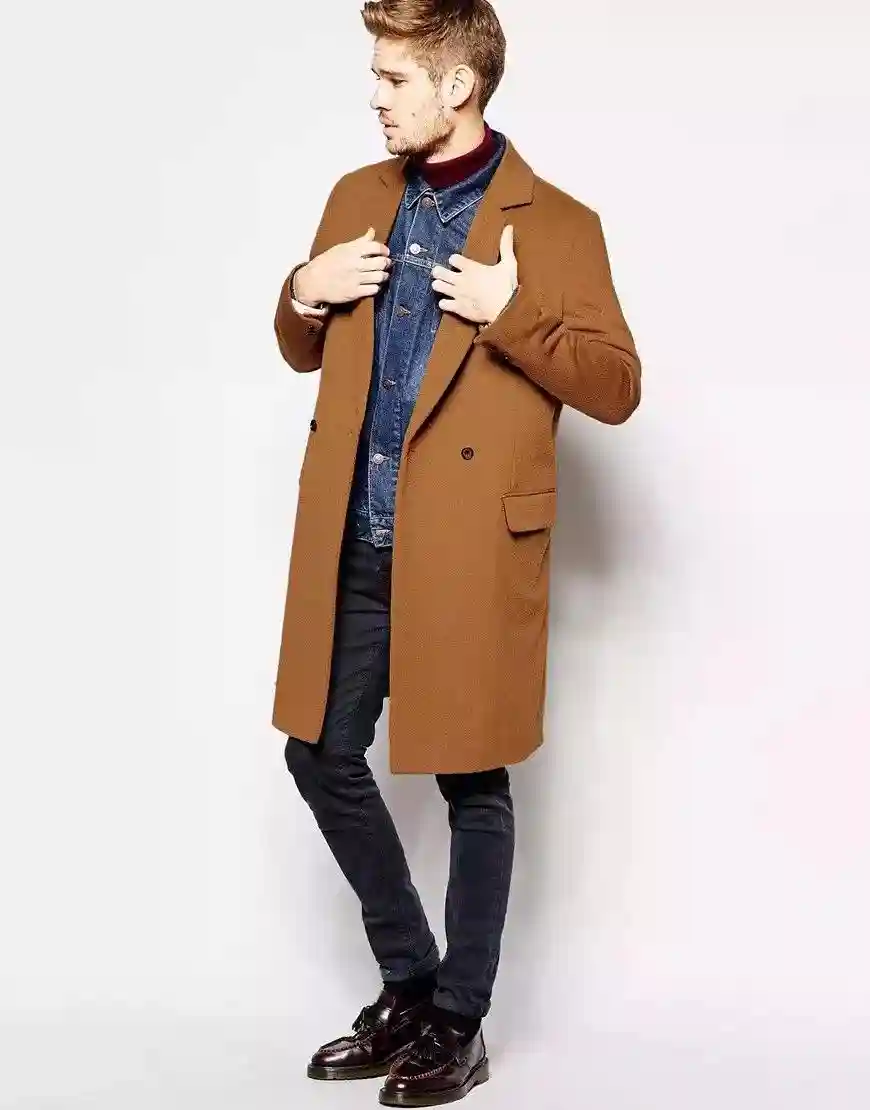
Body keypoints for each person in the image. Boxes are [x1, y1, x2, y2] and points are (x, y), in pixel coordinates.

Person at [272, 0, 642, 1103]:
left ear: (458, 86)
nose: (376, 97)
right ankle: (411, 986)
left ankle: (460, 1019)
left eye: (395, 79)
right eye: (377, 75)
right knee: (318, 752)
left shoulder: (558, 224)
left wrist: (512, 312)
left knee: (472, 774)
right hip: (357, 531)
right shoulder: (357, 196)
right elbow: (302, 349)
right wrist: (301, 291)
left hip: (470, 545)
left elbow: (617, 387)